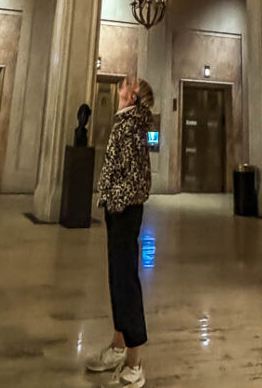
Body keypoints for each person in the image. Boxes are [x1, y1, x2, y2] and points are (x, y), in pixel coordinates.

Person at [86, 76, 155, 387]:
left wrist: (115, 201)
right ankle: (118, 343)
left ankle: (134, 361)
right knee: (117, 277)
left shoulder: (133, 127)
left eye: (128, 86)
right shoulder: (127, 124)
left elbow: (139, 179)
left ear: (134, 98)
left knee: (126, 281)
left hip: (124, 211)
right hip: (119, 209)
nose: (121, 88)